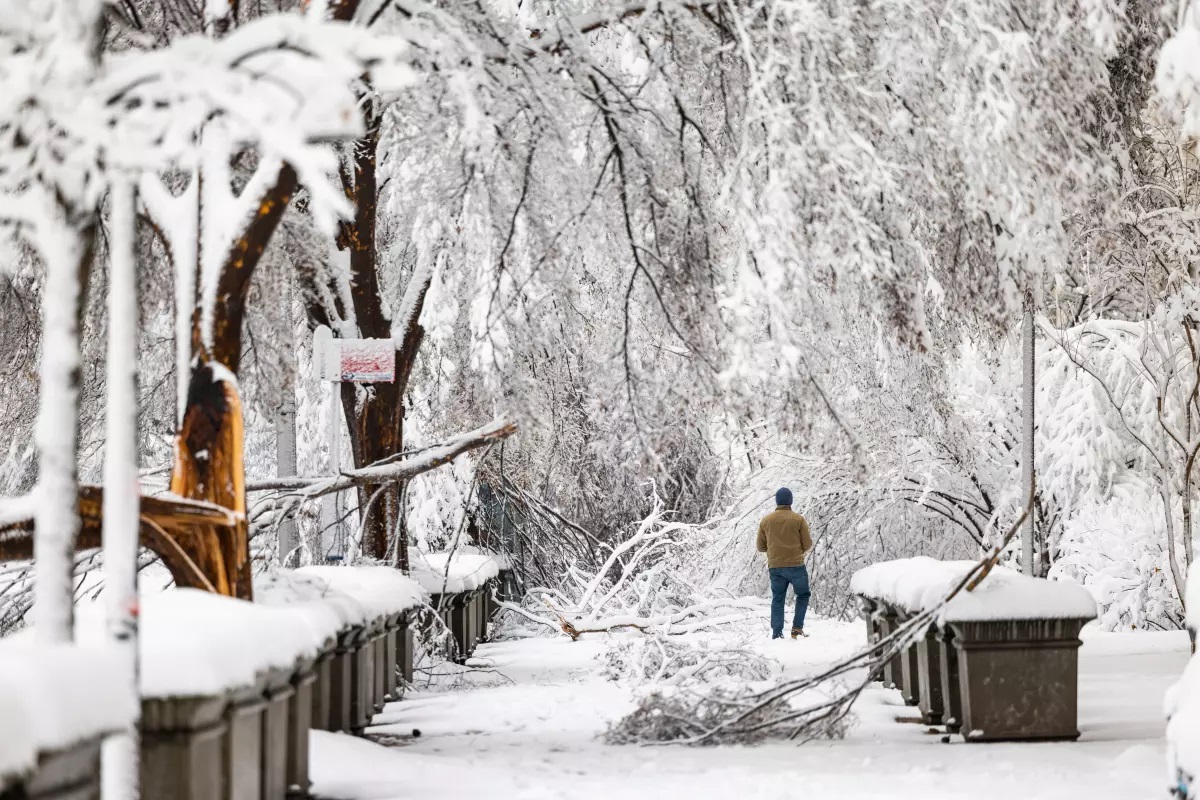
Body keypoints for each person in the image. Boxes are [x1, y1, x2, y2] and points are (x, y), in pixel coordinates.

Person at [756, 487, 813, 639]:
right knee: (803, 594)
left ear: (777, 501)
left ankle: (777, 633)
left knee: (778, 599)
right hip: (796, 566)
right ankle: (796, 628)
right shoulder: (799, 519)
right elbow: (807, 544)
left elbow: (760, 547)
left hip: (775, 567)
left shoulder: (766, 521)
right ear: (790, 501)